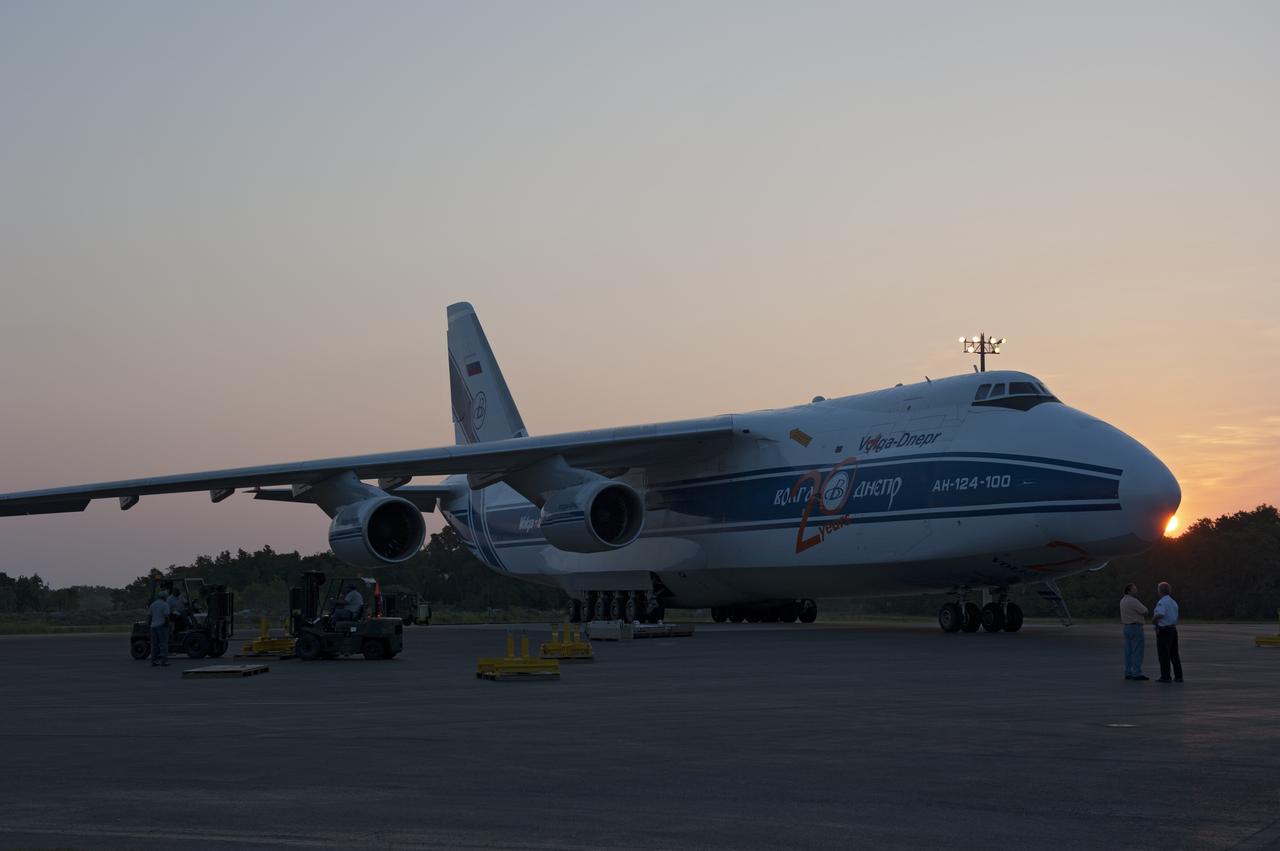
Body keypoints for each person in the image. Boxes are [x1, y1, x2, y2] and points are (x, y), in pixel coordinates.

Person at [1152, 581, 1183, 683]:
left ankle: (1165, 676)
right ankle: (1179, 676)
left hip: (1164, 631)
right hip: (1173, 630)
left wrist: (1154, 620)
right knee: (1174, 654)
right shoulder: (1173, 602)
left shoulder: (1162, 602)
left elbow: (1160, 614)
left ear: (1160, 591)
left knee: (1164, 654)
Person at [1119, 583, 1149, 681]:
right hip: (1135, 627)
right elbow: (1144, 611)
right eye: (1134, 589)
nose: (1136, 590)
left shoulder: (1122, 601)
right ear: (1129, 591)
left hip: (1126, 627)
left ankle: (1128, 672)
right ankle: (1137, 673)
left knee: (1128, 652)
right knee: (1137, 651)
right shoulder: (1133, 601)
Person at [148, 594, 171, 667]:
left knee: (154, 645)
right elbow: (166, 616)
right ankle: (164, 661)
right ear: (164, 597)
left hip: (153, 626)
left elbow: (149, 616)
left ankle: (153, 661)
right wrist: (167, 625)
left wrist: (149, 625)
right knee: (163, 644)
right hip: (161, 625)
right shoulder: (165, 604)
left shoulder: (153, 604)